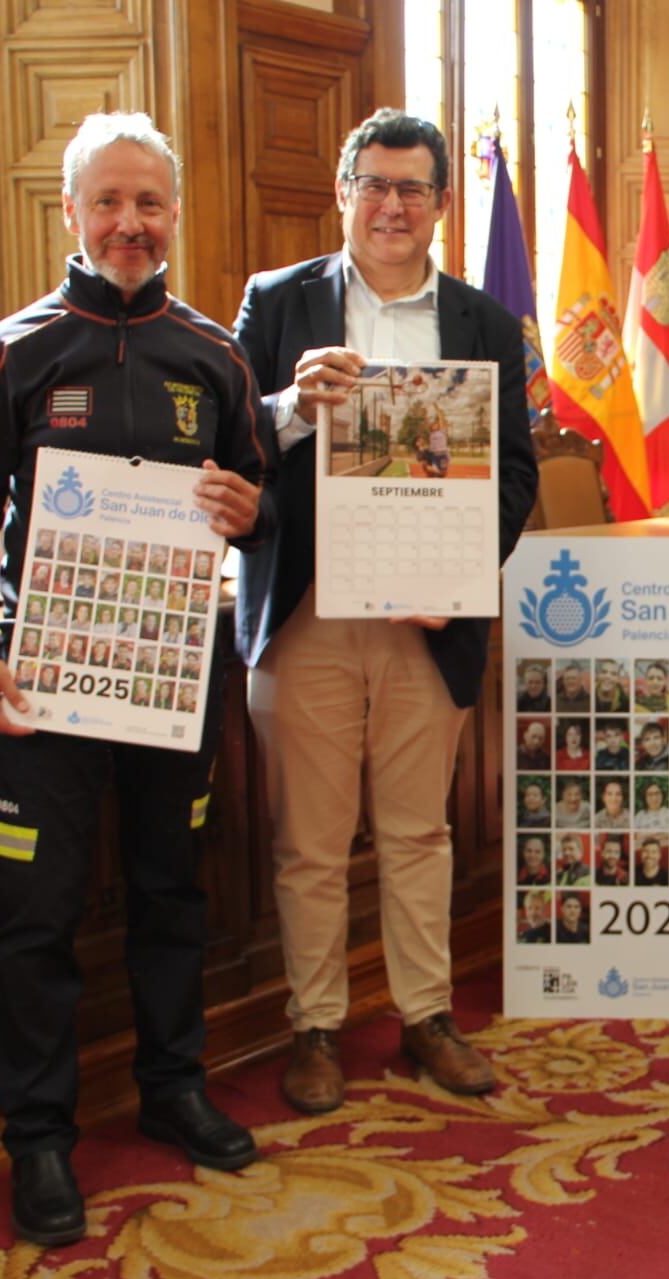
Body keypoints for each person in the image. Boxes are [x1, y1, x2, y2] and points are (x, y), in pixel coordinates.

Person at [0, 112, 274, 1248]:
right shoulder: (12, 352)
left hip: (176, 680)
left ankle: (173, 1089)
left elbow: (262, 508)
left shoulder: (215, 353)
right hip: (47, 687)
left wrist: (250, 511)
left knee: (174, 890)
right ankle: (38, 1139)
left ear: (174, 215)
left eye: (150, 204)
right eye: (109, 202)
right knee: (37, 915)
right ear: (68, 212)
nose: (131, 223)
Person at [234, 110, 538, 1113]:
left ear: (441, 206)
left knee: (418, 833)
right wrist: (287, 407)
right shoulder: (274, 305)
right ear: (341, 190)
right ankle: (315, 1026)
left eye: (412, 188)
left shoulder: (486, 324)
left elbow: (513, 478)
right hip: (308, 608)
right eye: (373, 183)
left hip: (427, 620)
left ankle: (424, 1017)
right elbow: (231, 454)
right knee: (310, 842)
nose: (391, 205)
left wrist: (453, 578)